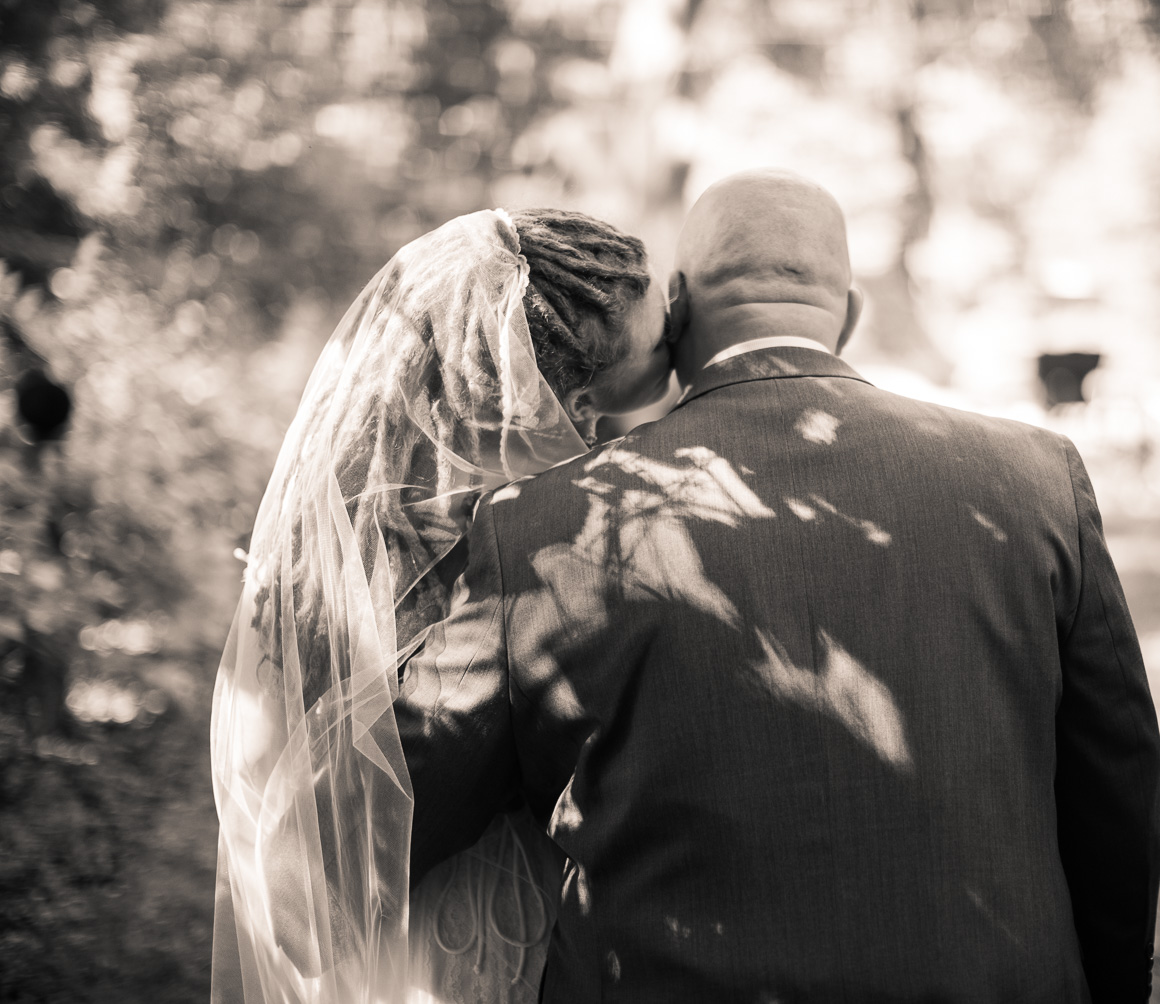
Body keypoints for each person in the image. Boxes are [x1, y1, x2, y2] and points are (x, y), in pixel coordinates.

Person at [394, 169, 1160, 1001]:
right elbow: (1120, 794)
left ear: (677, 307)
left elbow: (390, 818)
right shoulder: (1037, 476)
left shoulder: (544, 524)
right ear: (852, 314)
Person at [209, 206, 674, 1004]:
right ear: (561, 405)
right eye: (612, 408)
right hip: (463, 957)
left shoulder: (358, 528)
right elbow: (309, 889)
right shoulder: (516, 566)